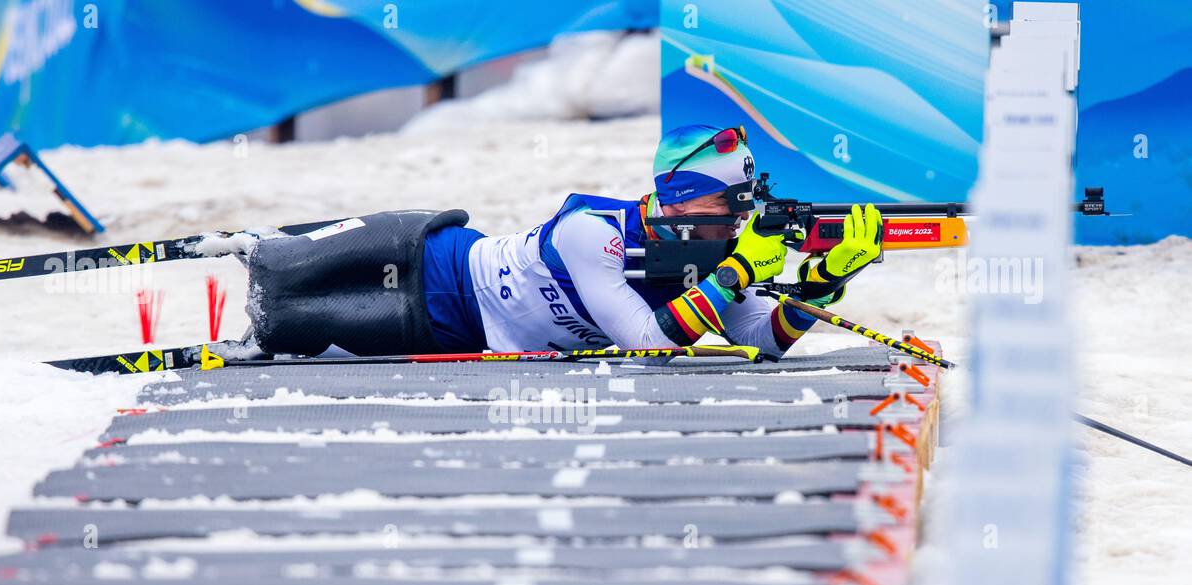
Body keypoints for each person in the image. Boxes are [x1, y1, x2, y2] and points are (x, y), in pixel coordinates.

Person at [241, 124, 882, 360]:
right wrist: (736, 272)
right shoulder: (593, 232)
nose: (736, 223)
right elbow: (648, 342)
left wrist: (822, 284)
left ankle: (250, 333)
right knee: (277, 267)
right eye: (726, 206)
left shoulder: (711, 264)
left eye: (742, 208)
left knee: (285, 330)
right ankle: (240, 250)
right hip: (430, 254)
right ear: (681, 199)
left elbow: (760, 341)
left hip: (444, 332)